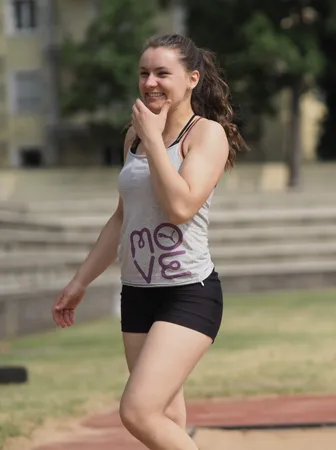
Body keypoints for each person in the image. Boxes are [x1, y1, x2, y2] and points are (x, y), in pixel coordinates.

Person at [51, 33, 246, 450]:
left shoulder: (205, 135)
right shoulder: (134, 138)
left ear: (192, 79)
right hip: (139, 293)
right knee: (167, 418)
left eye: (162, 73)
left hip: (189, 293)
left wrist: (156, 139)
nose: (150, 83)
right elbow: (121, 217)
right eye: (144, 74)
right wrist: (80, 281)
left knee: (137, 412)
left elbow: (180, 207)